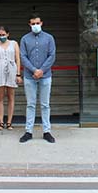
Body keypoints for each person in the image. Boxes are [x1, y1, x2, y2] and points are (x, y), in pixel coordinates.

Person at [19, 13, 56, 144]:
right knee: (30, 104)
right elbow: (23, 56)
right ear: (29, 24)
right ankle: (28, 131)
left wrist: (41, 70)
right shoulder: (24, 39)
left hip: (45, 76)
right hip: (29, 76)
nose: (35, 25)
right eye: (33, 23)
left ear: (41, 23)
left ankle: (47, 131)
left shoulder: (49, 38)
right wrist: (34, 70)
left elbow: (52, 56)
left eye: (37, 23)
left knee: (45, 104)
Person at [0, 25, 21, 130]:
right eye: (0, 35)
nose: (1, 36)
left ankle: (9, 122)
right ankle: (0, 122)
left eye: (3, 34)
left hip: (11, 69)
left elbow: (17, 59)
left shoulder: (14, 43)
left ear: (8, 34)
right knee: (0, 97)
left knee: (11, 96)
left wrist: (18, 74)